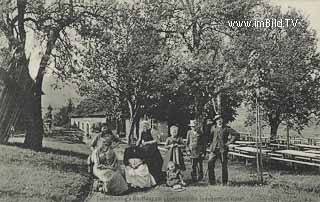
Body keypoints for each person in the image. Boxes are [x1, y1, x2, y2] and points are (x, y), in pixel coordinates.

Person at [207, 114, 239, 185]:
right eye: (217, 119)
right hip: (214, 149)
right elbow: (209, 137)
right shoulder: (213, 128)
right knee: (210, 163)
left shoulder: (226, 128)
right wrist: (211, 144)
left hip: (223, 149)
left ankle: (224, 182)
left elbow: (236, 134)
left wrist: (229, 142)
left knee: (224, 165)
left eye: (220, 119)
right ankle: (212, 181)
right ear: (215, 121)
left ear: (222, 120)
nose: (219, 121)